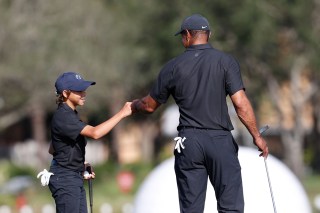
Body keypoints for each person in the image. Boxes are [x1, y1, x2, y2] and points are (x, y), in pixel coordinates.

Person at [131, 14, 269, 213]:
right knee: (231, 207)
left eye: (182, 36)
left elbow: (149, 106)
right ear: (209, 35)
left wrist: (134, 105)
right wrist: (256, 136)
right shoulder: (225, 61)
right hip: (220, 139)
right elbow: (241, 104)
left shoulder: (173, 67)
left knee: (191, 209)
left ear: (187, 35)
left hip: (189, 141)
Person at [47, 71, 132, 213]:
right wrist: (122, 113)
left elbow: (52, 148)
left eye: (84, 90)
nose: (84, 93)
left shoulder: (70, 115)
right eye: (79, 91)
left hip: (71, 176)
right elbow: (95, 133)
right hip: (65, 179)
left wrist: (79, 164)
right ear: (66, 93)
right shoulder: (64, 116)